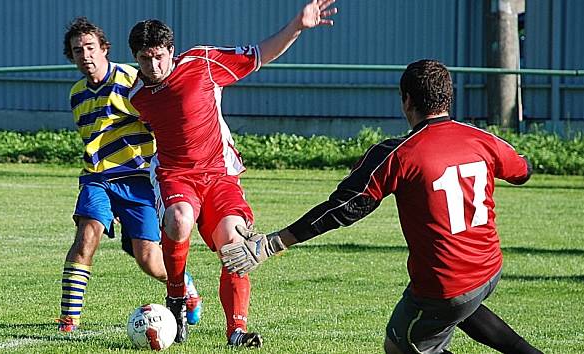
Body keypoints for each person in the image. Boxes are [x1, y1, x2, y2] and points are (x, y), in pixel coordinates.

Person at [220, 59, 543, 354]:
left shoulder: (399, 154)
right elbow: (522, 171)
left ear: (406, 100)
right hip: (489, 268)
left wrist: (273, 243)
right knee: (460, 308)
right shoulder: (480, 138)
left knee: (400, 346)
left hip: (444, 284)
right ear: (448, 99)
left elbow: (343, 209)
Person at [127, 0, 337, 347]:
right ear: (136, 57)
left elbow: (259, 55)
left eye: (159, 56)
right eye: (145, 58)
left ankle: (236, 330)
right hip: (176, 176)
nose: (154, 65)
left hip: (220, 174)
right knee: (178, 219)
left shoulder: (203, 63)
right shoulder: (137, 95)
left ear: (172, 51)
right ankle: (177, 298)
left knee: (235, 244)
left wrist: (297, 25)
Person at [57, 17, 202, 332]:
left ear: (105, 49)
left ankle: (184, 285)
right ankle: (69, 320)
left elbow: (160, 122)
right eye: (78, 51)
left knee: (148, 259)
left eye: (91, 48)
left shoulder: (131, 81)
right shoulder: (77, 93)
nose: (86, 56)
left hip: (138, 180)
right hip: (96, 178)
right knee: (87, 234)